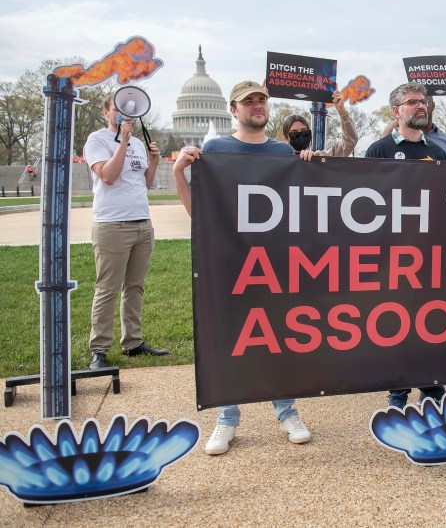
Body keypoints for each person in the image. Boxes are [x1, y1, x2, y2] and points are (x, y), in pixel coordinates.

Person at [172, 80, 312, 455]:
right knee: (231, 340)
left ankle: (287, 411)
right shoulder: (216, 149)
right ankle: (227, 418)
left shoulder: (283, 153)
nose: (257, 106)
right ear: (233, 110)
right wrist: (177, 175)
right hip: (232, 263)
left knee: (278, 338)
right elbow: (201, 215)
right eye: (248, 102)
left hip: (276, 264)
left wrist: (312, 170)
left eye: (261, 100)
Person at [366, 82, 446, 408]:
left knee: (430, 324)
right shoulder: (378, 150)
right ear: (396, 111)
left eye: (422, 102)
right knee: (397, 326)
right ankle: (398, 394)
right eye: (411, 102)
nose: (419, 106)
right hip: (393, 256)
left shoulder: (437, 152)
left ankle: (431, 389)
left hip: (429, 258)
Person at [84, 93, 168, 370]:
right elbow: (108, 176)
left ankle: (132, 342)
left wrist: (153, 162)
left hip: (141, 222)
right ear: (106, 112)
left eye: (128, 111)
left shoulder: (138, 145)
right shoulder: (97, 140)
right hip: (112, 224)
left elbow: (142, 184)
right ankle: (99, 349)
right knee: (107, 288)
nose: (123, 115)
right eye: (117, 110)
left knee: (135, 286)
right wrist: (121, 141)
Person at [284, 92, 358, 160]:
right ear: (286, 137)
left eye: (305, 132)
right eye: (294, 134)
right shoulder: (280, 159)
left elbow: (349, 142)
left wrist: (342, 112)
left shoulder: (320, 158)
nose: (300, 136)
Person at [377, 97, 446, 159]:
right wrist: (402, 115)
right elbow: (382, 143)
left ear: (433, 106)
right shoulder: (398, 137)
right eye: (412, 102)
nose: (420, 106)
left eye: (424, 101)